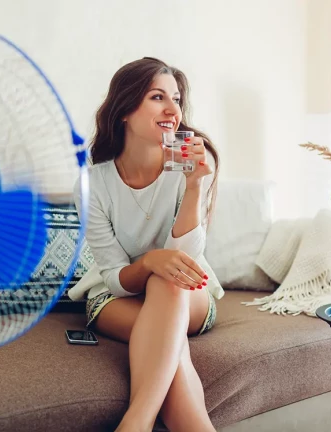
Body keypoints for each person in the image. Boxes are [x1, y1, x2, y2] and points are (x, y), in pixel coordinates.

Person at [69, 57, 223, 432]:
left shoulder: (187, 168)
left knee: (168, 281)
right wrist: (152, 260)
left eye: (177, 98)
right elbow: (115, 278)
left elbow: (186, 261)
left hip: (189, 291)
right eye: (158, 97)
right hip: (115, 296)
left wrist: (193, 186)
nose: (174, 110)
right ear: (124, 109)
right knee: (170, 352)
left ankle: (134, 423)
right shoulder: (94, 184)